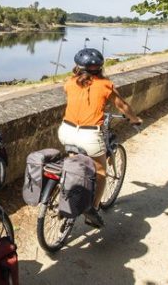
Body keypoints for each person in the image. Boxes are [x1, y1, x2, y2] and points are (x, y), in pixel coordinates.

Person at [59, 47, 142, 229]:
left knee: (74, 166)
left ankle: (66, 196)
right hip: (89, 135)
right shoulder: (105, 85)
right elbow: (122, 106)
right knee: (100, 172)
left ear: (77, 67)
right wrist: (135, 120)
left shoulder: (70, 82)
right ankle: (93, 209)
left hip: (66, 131)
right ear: (100, 67)